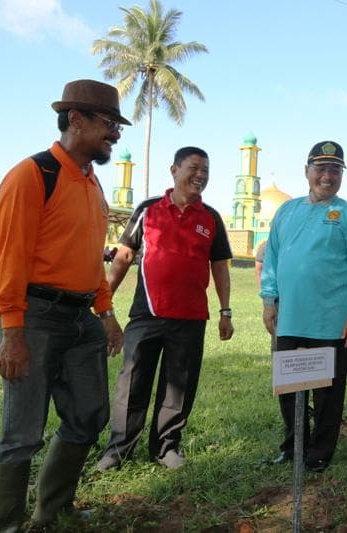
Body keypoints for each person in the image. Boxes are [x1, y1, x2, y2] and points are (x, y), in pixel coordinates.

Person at [0, 79, 127, 531]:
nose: (116, 134)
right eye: (108, 124)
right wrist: (12, 334)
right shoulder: (32, 175)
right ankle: (5, 525)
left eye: (117, 126)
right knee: (22, 433)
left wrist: (105, 314)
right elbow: (9, 259)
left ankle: (53, 512)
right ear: (76, 119)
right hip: (32, 318)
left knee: (89, 414)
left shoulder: (93, 184)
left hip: (80, 318)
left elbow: (89, 258)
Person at [97, 146, 233, 471]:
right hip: (146, 314)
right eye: (194, 168)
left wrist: (225, 311)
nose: (200, 176)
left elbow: (220, 268)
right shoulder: (148, 210)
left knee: (179, 386)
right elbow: (124, 256)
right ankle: (117, 450)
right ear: (174, 169)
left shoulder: (211, 219)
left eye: (206, 171)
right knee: (132, 382)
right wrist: (103, 299)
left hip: (190, 319)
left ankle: (166, 448)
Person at [261, 141, 347, 472]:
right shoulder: (287, 210)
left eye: (335, 170)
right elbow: (273, 259)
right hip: (289, 318)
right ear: (307, 171)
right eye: (321, 168)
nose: (328, 176)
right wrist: (269, 300)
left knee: (326, 394)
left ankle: (320, 451)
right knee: (289, 389)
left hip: (329, 321)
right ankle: (293, 446)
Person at [256, 237, 347, 410]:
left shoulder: (325, 234)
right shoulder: (271, 243)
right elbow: (262, 271)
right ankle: (300, 417)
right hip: (287, 307)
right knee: (288, 363)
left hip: (327, 306)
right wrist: (269, 302)